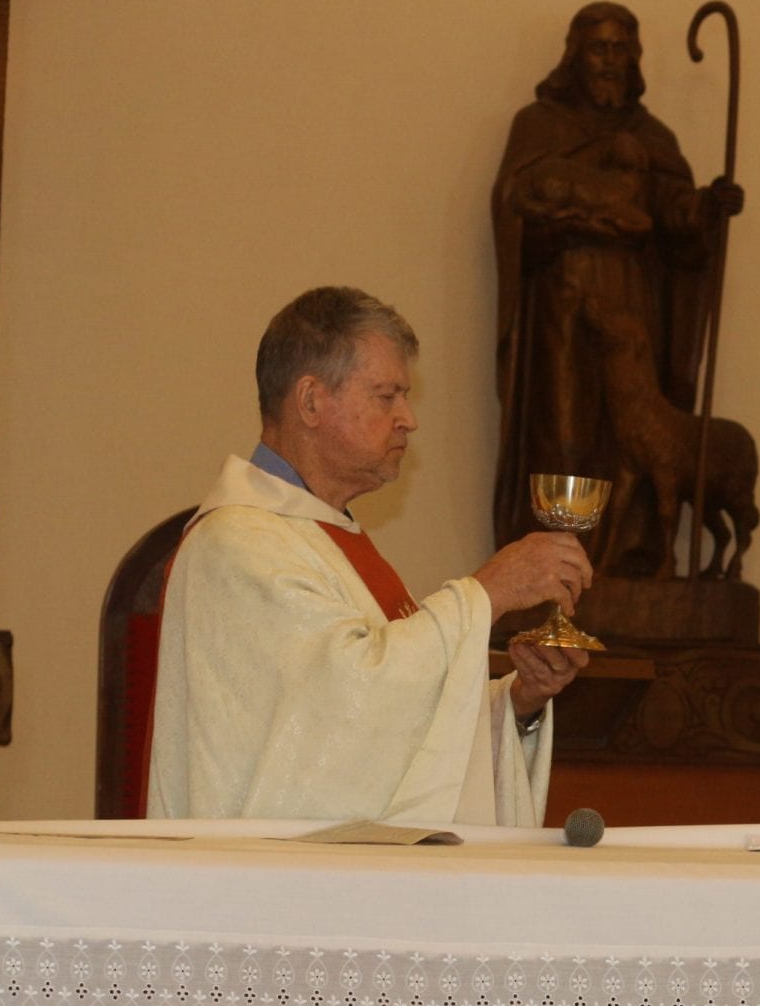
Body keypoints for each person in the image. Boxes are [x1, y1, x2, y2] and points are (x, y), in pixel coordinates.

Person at [149, 286, 592, 824]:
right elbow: (343, 711)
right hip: (271, 871)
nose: (409, 418)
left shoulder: (325, 536)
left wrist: (517, 704)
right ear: (310, 401)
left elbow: (388, 726)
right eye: (387, 396)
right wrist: (489, 592)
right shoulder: (237, 544)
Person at [492, 1, 744, 577]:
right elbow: (513, 205)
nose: (609, 60)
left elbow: (676, 221)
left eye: (620, 49)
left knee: (635, 436)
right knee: (565, 432)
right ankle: (555, 567)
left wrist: (707, 207)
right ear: (575, 57)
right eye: (598, 48)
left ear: (634, 59)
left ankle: (629, 562)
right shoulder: (540, 125)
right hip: (564, 303)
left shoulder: (652, 137)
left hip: (634, 302)